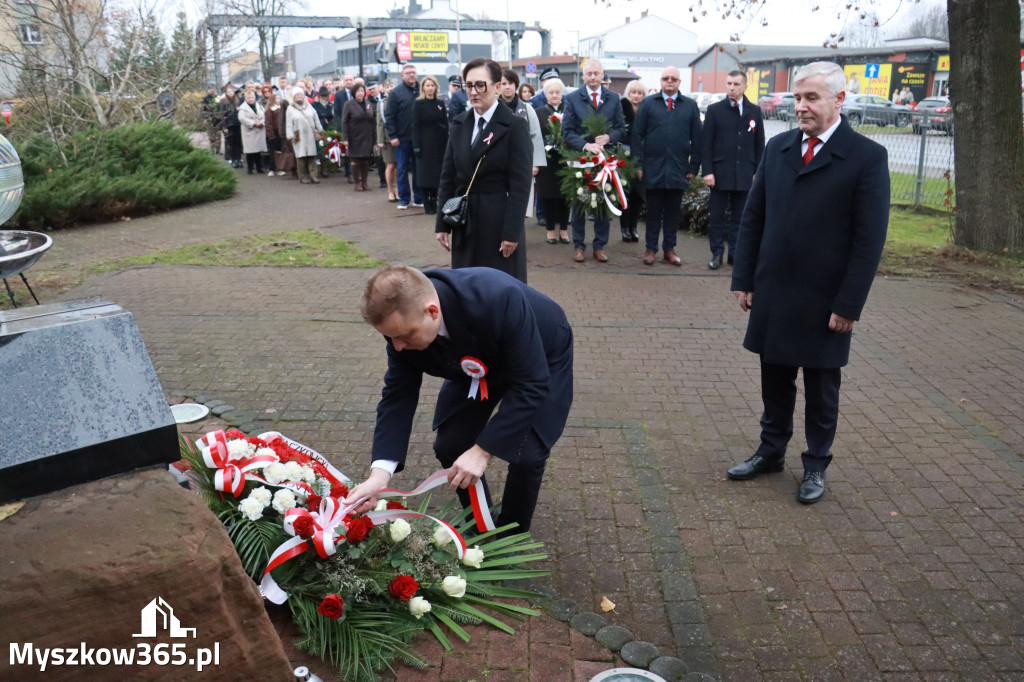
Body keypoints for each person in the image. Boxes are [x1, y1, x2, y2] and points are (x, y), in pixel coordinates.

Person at [727, 61, 889, 504]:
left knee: (821, 388)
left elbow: (868, 241)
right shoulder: (778, 148)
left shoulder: (867, 158)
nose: (800, 106)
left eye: (811, 98)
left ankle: (815, 464)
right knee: (774, 377)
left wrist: (849, 304)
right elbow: (754, 217)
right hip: (775, 292)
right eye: (797, 98)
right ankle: (770, 451)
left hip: (825, 300)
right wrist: (744, 278)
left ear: (839, 99)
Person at [345, 264, 574, 536]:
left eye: (404, 336)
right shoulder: (402, 326)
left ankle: (510, 535)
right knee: (451, 444)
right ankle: (483, 524)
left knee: (527, 454)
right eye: (390, 337)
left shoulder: (498, 298)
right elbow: (397, 395)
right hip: (475, 359)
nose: (397, 346)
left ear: (432, 311)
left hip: (541, 356)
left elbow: (532, 383)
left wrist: (482, 451)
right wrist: (379, 476)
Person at [435, 58, 533, 284]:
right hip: (464, 221)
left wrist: (512, 232)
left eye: (480, 85)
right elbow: (447, 176)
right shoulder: (459, 124)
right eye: (468, 85)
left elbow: (520, 185)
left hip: (498, 221)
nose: (473, 92)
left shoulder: (514, 126)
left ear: (497, 87)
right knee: (466, 285)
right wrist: (442, 222)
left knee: (499, 286)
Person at [631, 66, 701, 266]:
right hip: (653, 168)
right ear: (660, 81)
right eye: (665, 78)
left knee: (672, 213)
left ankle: (669, 250)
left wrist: (693, 167)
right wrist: (637, 164)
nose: (669, 81)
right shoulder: (648, 104)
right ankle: (650, 249)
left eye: (673, 79)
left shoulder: (689, 106)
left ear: (679, 82)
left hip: (678, 169)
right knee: (653, 212)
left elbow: (698, 139)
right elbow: (637, 136)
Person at [561, 58, 626, 264]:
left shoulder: (614, 98)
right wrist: (585, 145)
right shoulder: (572, 99)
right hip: (582, 159)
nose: (592, 77)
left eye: (596, 73)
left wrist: (610, 138)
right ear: (584, 76)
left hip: (605, 160)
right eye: (589, 73)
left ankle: (599, 246)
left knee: (602, 203)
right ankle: (579, 246)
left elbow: (621, 128)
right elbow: (566, 131)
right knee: (580, 203)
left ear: (602, 75)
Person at [701, 69, 765, 270]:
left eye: (736, 84)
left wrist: (758, 171)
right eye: (729, 83)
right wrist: (708, 171)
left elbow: (759, 144)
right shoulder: (715, 110)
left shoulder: (754, 112)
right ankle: (717, 254)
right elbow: (706, 144)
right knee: (717, 218)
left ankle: (735, 254)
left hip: (745, 174)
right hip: (719, 173)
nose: (732, 87)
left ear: (745, 87)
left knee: (741, 218)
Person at [534, 77, 570, 245]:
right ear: (545, 94)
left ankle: (563, 229)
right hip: (546, 161)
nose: (554, 95)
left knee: (566, 195)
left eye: (557, 92)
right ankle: (550, 230)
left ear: (562, 93)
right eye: (551, 92)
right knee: (548, 196)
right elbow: (535, 137)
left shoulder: (569, 110)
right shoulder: (539, 112)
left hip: (565, 159)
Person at [498, 69, 545, 193]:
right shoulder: (493, 108)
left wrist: (535, 163)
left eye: (510, 83)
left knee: (521, 203)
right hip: (497, 164)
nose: (507, 87)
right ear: (498, 86)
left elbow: (535, 136)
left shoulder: (527, 109)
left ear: (516, 85)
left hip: (522, 162)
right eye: (504, 84)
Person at [386, 64, 424, 209]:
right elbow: (390, 116)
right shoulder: (396, 93)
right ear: (402, 76)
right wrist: (393, 135)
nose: (411, 75)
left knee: (418, 169)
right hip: (402, 138)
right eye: (408, 73)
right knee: (401, 169)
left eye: (413, 72)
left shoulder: (422, 90)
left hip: (419, 138)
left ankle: (419, 198)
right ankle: (404, 199)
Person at [412, 75, 450, 214]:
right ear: (423, 88)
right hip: (424, 142)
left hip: (439, 143)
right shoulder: (418, 104)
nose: (430, 88)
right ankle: (426, 201)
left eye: (432, 85)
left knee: (437, 173)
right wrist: (416, 145)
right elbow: (415, 126)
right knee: (424, 173)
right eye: (427, 86)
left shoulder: (440, 103)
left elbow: (445, 123)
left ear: (436, 87)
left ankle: (434, 199)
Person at [618, 79, 647, 243]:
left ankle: (633, 227)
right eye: (633, 92)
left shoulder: (646, 109)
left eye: (639, 93)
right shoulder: (621, 108)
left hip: (642, 155)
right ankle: (624, 228)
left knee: (638, 195)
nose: (636, 96)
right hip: (625, 156)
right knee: (625, 193)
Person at [342, 82, 376, 192]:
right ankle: (357, 183)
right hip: (354, 137)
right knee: (356, 161)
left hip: (367, 136)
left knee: (365, 161)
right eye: (358, 91)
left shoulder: (368, 103)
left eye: (362, 91)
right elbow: (345, 122)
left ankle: (364, 182)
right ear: (354, 93)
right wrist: (346, 138)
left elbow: (373, 120)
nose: (360, 93)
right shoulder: (348, 104)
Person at [286, 87, 324, 184]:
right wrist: (290, 136)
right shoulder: (290, 109)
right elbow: (289, 124)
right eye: (297, 95)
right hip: (298, 135)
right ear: (294, 97)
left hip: (310, 135)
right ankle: (303, 176)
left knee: (312, 156)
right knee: (301, 157)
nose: (299, 96)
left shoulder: (309, 106)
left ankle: (314, 176)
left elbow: (316, 119)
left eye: (301, 94)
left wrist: (321, 130)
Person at [374, 81, 399, 201]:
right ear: (383, 89)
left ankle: (399, 189)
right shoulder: (381, 103)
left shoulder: (400, 100)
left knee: (399, 166)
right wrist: (380, 140)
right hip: (387, 138)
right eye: (387, 87)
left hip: (400, 136)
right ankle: (390, 190)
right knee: (390, 165)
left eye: (392, 86)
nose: (390, 88)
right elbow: (379, 123)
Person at [237, 90, 267, 175]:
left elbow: (264, 115)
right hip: (249, 132)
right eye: (249, 98)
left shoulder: (259, 106)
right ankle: (250, 168)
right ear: (245, 99)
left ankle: (259, 168)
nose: (251, 99)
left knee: (258, 151)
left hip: (259, 130)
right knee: (250, 152)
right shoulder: (243, 108)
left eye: (252, 97)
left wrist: (261, 123)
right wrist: (253, 123)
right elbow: (242, 118)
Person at [333, 74, 355, 183]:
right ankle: (349, 172)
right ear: (343, 82)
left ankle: (356, 171)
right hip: (344, 125)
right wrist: (338, 127)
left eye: (351, 80)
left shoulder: (358, 92)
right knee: (346, 149)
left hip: (357, 126)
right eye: (347, 80)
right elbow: (337, 112)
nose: (349, 82)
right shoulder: (339, 94)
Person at [219, 84, 243, 168]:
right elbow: (221, 115)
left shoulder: (237, 101)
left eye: (231, 91)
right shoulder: (223, 102)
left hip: (237, 124)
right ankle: (232, 159)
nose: (230, 93)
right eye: (228, 92)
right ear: (226, 93)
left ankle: (238, 159)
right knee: (231, 143)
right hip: (229, 125)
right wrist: (224, 127)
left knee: (238, 143)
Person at [264, 92, 286, 177]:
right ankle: (272, 169)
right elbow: (268, 124)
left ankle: (280, 168)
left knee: (280, 152)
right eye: (277, 98)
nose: (278, 100)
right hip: (273, 134)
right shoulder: (270, 110)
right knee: (272, 153)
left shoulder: (280, 109)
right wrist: (271, 135)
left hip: (280, 134)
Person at [201, 83, 221, 155]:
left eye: (214, 88)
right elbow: (203, 109)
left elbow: (220, 107)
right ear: (208, 89)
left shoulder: (217, 97)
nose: (213, 90)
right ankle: (212, 149)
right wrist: (204, 119)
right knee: (211, 135)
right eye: (211, 88)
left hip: (217, 119)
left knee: (218, 134)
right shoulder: (205, 98)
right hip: (209, 118)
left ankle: (218, 149)